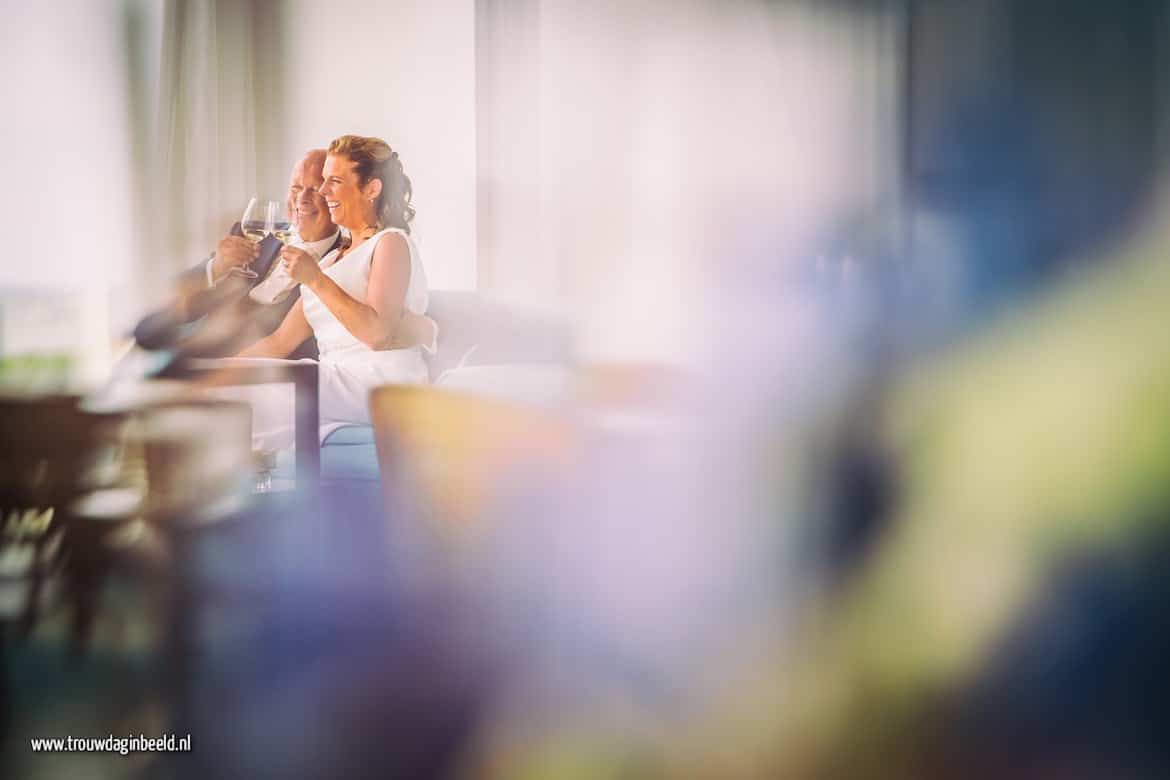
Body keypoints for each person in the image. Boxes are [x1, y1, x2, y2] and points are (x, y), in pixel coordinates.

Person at [235, 134, 435, 447]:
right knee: (228, 386)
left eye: (334, 181)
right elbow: (279, 342)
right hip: (335, 380)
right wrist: (217, 371)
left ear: (371, 189)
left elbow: (378, 334)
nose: (323, 191)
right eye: (323, 181)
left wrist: (314, 279)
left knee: (258, 394)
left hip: (378, 385)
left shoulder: (390, 244)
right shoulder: (332, 259)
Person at [172, 149, 345, 358]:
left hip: (263, 368)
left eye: (315, 190)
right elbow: (178, 298)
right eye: (296, 188)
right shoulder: (248, 232)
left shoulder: (344, 260)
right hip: (196, 346)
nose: (302, 198)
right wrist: (217, 267)